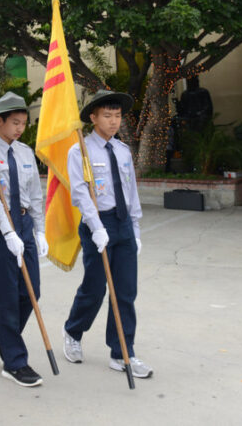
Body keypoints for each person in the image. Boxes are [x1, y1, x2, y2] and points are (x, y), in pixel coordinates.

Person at [62, 90, 152, 379]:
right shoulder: (81, 151)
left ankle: (122, 352)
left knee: (125, 291)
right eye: (107, 116)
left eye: (117, 116)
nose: (114, 122)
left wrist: (135, 229)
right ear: (93, 117)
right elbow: (80, 193)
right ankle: (73, 331)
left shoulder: (123, 151)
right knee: (95, 287)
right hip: (97, 225)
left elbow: (130, 191)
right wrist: (96, 227)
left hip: (123, 223)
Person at [0, 92, 46, 388]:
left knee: (31, 291)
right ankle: (14, 361)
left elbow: (35, 195)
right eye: (14, 122)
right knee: (7, 292)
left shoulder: (25, 153)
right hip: (1, 227)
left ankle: (0, 336)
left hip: (25, 223)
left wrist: (38, 230)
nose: (19, 128)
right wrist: (9, 232)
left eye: (23, 123)